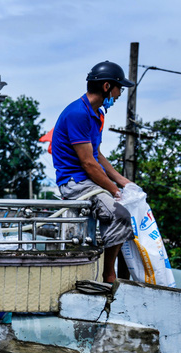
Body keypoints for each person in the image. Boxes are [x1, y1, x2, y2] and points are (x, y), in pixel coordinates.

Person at [51, 60, 136, 283]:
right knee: (120, 214)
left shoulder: (95, 113)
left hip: (87, 181)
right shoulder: (78, 113)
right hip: (75, 182)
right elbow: (88, 164)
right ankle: (109, 274)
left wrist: (122, 181)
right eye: (120, 88)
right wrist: (114, 190)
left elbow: (96, 154)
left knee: (120, 208)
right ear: (107, 86)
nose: (119, 94)